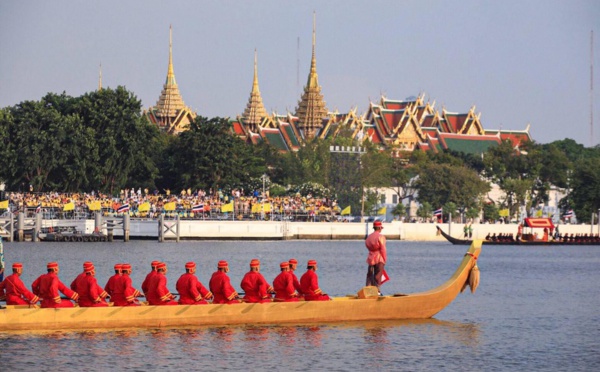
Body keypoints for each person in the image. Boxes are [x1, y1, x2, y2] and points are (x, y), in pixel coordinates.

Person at [365, 220, 387, 294]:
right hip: (379, 257)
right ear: (380, 228)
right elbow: (383, 249)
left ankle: (368, 291)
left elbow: (367, 246)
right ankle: (377, 292)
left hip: (371, 257)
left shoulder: (369, 237)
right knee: (378, 275)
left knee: (370, 274)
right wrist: (384, 259)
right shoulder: (381, 237)